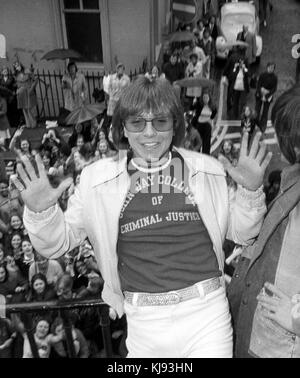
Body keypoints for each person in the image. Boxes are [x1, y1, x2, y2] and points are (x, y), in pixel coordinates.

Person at [18, 75, 271, 358]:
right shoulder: (96, 180)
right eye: (137, 122)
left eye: (160, 121)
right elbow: (57, 243)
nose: (149, 133)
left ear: (174, 124)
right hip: (143, 323)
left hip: (206, 316)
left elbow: (242, 232)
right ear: (123, 128)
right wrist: (41, 212)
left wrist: (250, 191)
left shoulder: (206, 169)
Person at [228, 84, 300, 358]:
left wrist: (295, 317)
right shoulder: (293, 178)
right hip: (263, 335)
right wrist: (253, 190)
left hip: (279, 345)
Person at [13, 62, 38, 129]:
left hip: (28, 91)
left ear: (20, 65)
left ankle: (33, 123)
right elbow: (17, 84)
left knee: (29, 108)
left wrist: (32, 89)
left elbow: (35, 80)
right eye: (15, 67)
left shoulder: (27, 71)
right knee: (24, 109)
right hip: (21, 93)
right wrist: (17, 90)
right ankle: (28, 124)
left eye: (18, 65)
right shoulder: (16, 75)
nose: (17, 67)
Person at [255, 62, 278, 133]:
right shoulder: (262, 75)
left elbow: (274, 89)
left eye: (272, 68)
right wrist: (262, 94)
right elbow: (258, 85)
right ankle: (255, 124)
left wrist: (267, 95)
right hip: (260, 95)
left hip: (268, 97)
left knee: (265, 112)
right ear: (267, 67)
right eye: (270, 67)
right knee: (257, 110)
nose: (271, 69)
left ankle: (263, 126)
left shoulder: (275, 78)